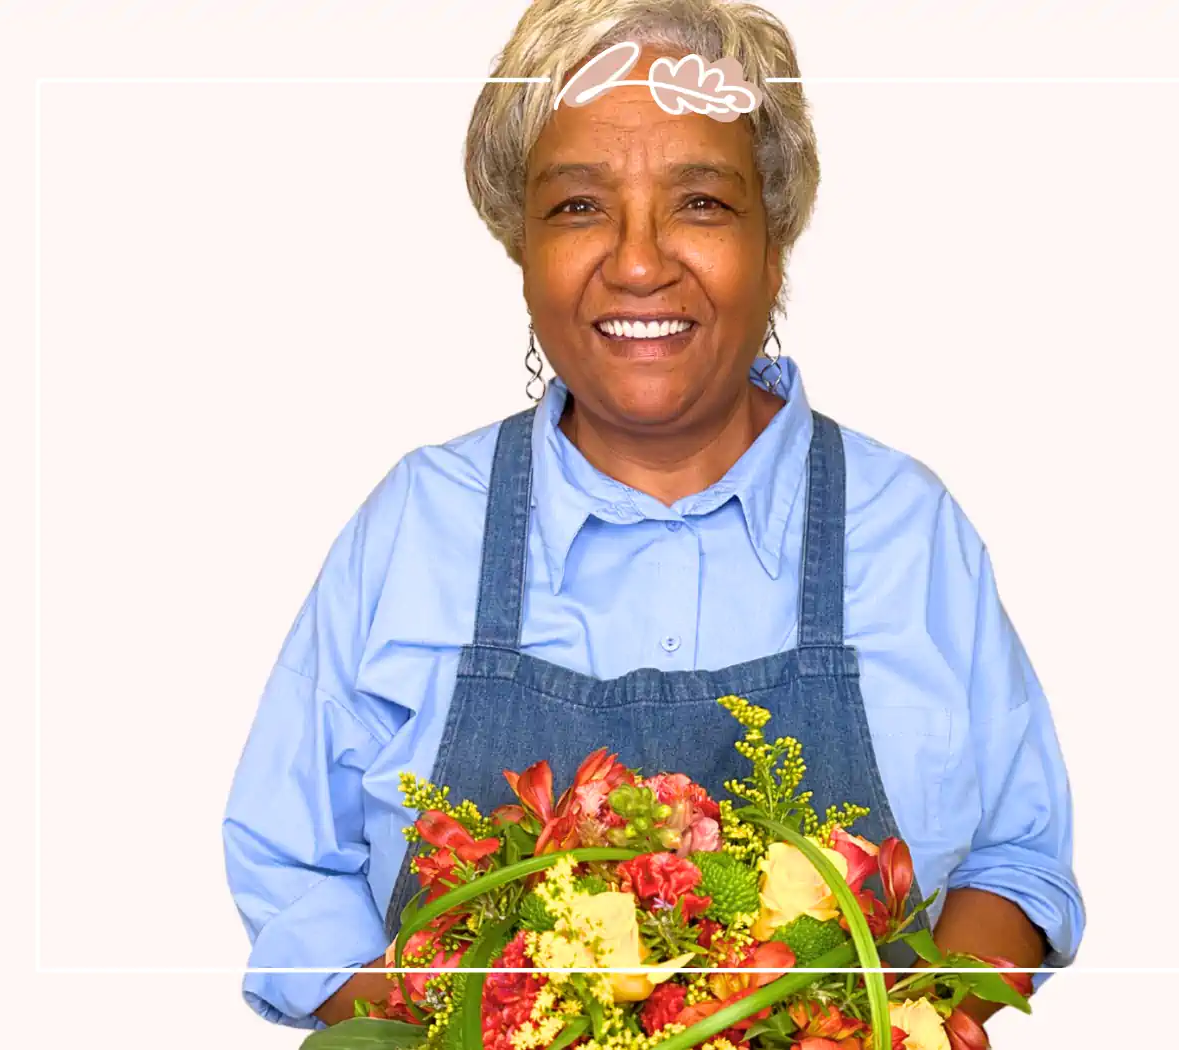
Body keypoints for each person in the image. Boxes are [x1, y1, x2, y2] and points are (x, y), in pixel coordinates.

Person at [222, 0, 1085, 1033]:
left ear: (775, 236)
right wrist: (501, 1018)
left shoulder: (904, 527)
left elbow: (1015, 860)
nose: (637, 263)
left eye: (701, 203)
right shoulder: (416, 525)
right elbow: (293, 875)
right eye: (579, 206)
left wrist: (910, 1022)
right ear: (520, 242)